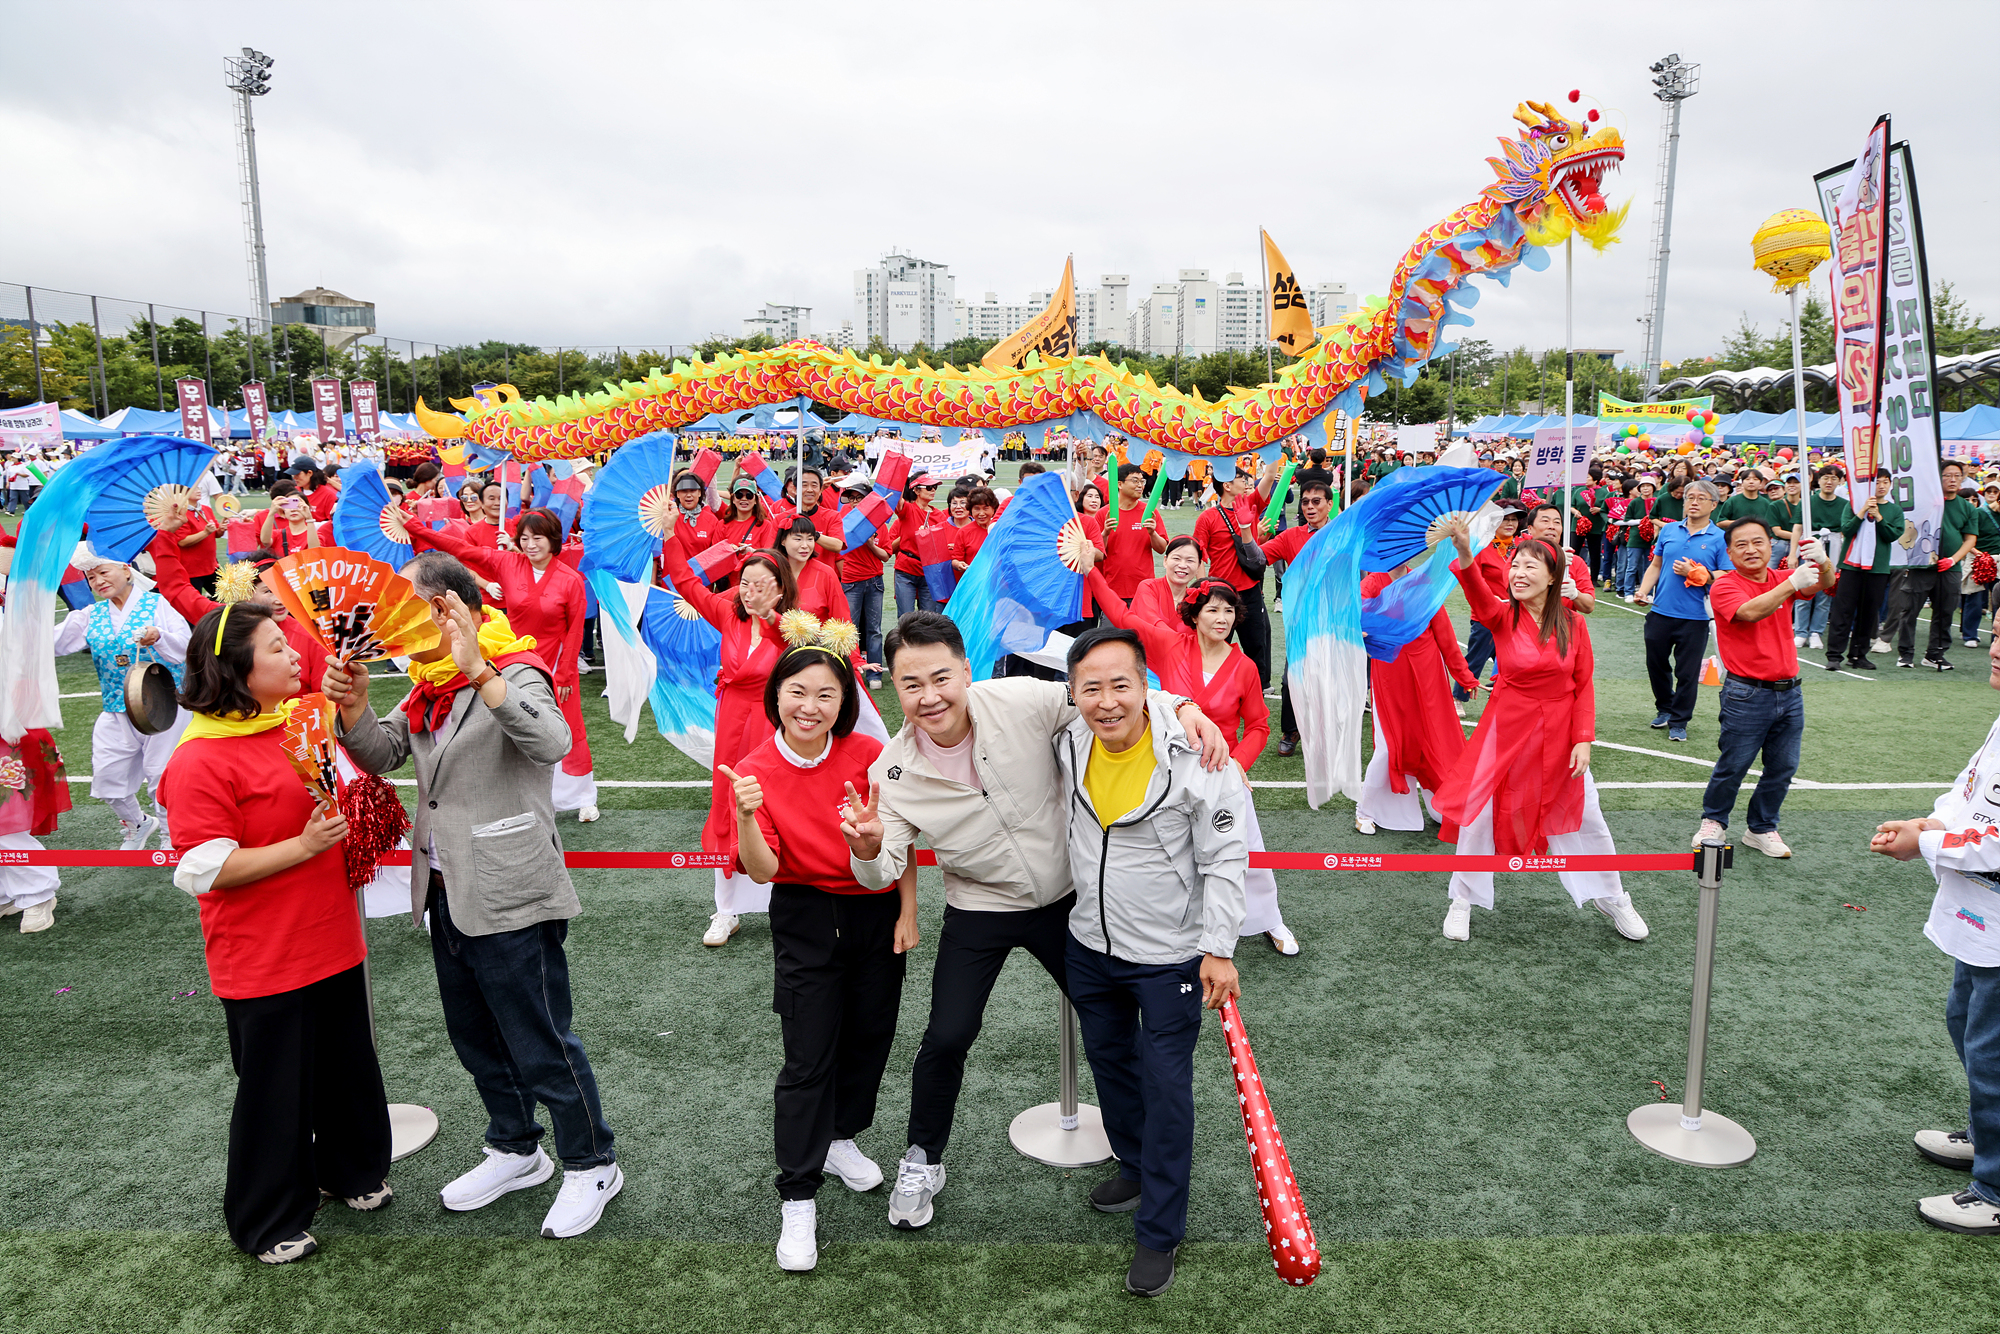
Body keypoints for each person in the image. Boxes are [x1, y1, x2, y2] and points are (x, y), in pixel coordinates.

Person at [839, 611, 1230, 1235]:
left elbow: (1105, 692)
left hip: (1069, 904)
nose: (929, 696)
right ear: (894, 688)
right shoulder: (892, 770)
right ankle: (922, 1158)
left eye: (941, 677)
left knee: (1115, 1040)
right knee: (946, 1036)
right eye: (911, 684)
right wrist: (865, 848)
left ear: (967, 670)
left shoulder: (1019, 699)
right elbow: (883, 867)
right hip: (980, 908)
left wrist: (1183, 707)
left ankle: (1136, 1159)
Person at [328, 552, 623, 1240]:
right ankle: (517, 1148)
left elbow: (552, 741)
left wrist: (480, 672)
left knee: (541, 1037)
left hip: (513, 887)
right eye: (406, 613)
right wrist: (354, 709)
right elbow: (382, 754)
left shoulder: (511, 669)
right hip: (445, 888)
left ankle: (592, 1161)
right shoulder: (426, 684)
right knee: (477, 1038)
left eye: (428, 610)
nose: (413, 625)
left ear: (466, 609)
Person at [158, 602, 391, 1264]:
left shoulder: (297, 718)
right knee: (276, 1088)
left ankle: (351, 1171)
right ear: (236, 669)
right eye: (275, 649)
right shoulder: (199, 758)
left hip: (331, 932)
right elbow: (205, 870)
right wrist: (303, 846)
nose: (295, 656)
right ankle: (266, 1219)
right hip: (264, 953)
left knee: (347, 1065)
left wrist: (353, 704)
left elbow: (353, 757)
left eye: (289, 645)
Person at [1053, 625, 1247, 1298]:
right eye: (1091, 688)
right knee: (1112, 1069)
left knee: (1167, 1093)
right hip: (1089, 947)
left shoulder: (1198, 756)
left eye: (1121, 685)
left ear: (1145, 686)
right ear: (1073, 693)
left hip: (1170, 960)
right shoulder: (1071, 738)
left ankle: (1159, 1232)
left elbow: (1227, 860)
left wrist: (1219, 948)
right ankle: (1132, 1166)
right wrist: (1178, 699)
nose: (1106, 702)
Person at [720, 624, 915, 1272]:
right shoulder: (753, 771)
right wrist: (746, 816)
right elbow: (762, 868)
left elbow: (900, 839)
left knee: (870, 1040)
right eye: (798, 691)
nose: (810, 706)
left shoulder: (866, 750)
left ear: (844, 701)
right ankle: (797, 1197)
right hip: (804, 916)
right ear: (777, 696)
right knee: (807, 1059)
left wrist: (907, 909)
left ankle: (839, 1137)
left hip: (875, 906)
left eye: (826, 694)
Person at [1435, 521, 1648, 944]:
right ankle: (1462, 899)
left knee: (1586, 816)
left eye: (1531, 566)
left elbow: (1583, 683)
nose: (1519, 573)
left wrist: (1583, 737)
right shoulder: (1501, 615)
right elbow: (1478, 592)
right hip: (1506, 729)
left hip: (1560, 732)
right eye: (1516, 564)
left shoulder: (1573, 623)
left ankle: (1612, 895)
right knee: (1478, 819)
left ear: (1554, 577)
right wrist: (1463, 551)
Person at [1870, 633, 2000, 1237]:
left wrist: (1923, 840)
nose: (1996, 648)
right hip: (1980, 922)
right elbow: (1968, 796)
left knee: (1992, 1054)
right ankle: (1984, 1136)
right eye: (1997, 634)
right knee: (1965, 1025)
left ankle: (1995, 1187)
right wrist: (1928, 822)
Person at [1093, 572, 1298, 954]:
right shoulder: (1170, 644)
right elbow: (1121, 616)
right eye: (1213, 610)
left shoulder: (1245, 667)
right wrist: (1090, 567)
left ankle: (1269, 918)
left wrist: (1238, 763)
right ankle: (1182, 926)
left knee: (1244, 849)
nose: (1222, 618)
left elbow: (1257, 726)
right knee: (1171, 854)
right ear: (1194, 614)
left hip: (1223, 773)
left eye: (1229, 612)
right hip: (1167, 772)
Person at [410, 508, 600, 822]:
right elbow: (460, 550)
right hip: (513, 661)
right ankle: (537, 797)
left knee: (567, 727)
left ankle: (582, 796)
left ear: (553, 540)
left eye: (537, 538)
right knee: (516, 724)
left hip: (556, 665)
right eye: (524, 538)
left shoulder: (571, 579)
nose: (530, 545)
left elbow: (576, 629)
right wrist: (415, 526)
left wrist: (566, 671)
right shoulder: (508, 564)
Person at [669, 549, 796, 946]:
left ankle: (786, 905)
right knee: (727, 806)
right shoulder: (728, 615)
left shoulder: (791, 624)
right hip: (730, 723)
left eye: (760, 585)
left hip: (774, 724)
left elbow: (802, 644)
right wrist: (672, 534)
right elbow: (686, 582)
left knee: (775, 807)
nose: (749, 592)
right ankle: (725, 911)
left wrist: (770, 615)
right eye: (744, 583)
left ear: (779, 589)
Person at [1693, 521, 1834, 858]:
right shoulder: (1725, 585)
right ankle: (1713, 820)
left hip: (1790, 691)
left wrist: (1823, 562)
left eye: (1758, 542)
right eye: (1741, 545)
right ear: (1729, 553)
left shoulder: (1779, 578)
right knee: (1734, 763)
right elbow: (1749, 612)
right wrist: (1791, 584)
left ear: (1771, 546)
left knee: (1783, 766)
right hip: (1746, 693)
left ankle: (1761, 827)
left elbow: (1825, 584)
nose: (1751, 550)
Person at [53, 553, 191, 853]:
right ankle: (136, 823)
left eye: (104, 572)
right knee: (107, 777)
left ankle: (172, 837)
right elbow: (53, 642)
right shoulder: (90, 614)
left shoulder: (157, 605)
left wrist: (159, 636)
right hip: (117, 707)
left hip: (164, 707)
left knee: (161, 775)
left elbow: (186, 646)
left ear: (126, 571)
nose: (98, 581)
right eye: (91, 578)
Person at [1354, 567, 1478, 836]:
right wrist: (1359, 628)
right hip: (1390, 673)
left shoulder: (1424, 582)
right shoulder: (1374, 581)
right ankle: (1365, 809)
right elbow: (1354, 614)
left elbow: (1444, 634)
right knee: (1390, 746)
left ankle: (1441, 803)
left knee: (1436, 740)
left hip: (1428, 674)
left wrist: (1464, 676)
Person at [1633, 480, 1727, 742]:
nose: (1694, 502)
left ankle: (1679, 720)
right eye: (1690, 498)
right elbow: (1656, 564)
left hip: (1696, 617)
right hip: (1661, 611)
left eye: (1701, 498)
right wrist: (1643, 591)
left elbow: (1728, 575)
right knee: (1656, 664)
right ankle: (1664, 707)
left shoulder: (1719, 538)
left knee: (1686, 673)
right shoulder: (1670, 530)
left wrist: (1700, 573)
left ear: (1713, 504)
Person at [1258, 479, 1335, 754]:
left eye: (1316, 501)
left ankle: (1326, 729)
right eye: (1305, 502)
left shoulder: (1342, 534)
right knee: (1293, 675)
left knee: (1329, 675)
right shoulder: (1291, 536)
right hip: (1301, 619)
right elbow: (1257, 558)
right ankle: (1291, 731)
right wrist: (1253, 535)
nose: (1310, 507)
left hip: (1335, 619)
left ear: (1329, 504)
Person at [1192, 459, 1278, 686]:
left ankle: (1257, 690)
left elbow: (1269, 475)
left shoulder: (1250, 504)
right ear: (1227, 485)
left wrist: (1273, 445)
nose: (1248, 481)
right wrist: (1203, 589)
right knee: (1215, 644)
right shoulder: (1207, 517)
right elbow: (1199, 554)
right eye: (1242, 478)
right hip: (1220, 592)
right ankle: (1213, 689)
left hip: (1250, 590)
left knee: (1256, 646)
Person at [1886, 461, 1976, 671]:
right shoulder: (1926, 503)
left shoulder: (1967, 508)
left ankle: (1935, 654)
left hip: (1950, 568)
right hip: (1922, 564)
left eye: (1957, 475)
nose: (1952, 479)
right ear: (1939, 478)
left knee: (1945, 612)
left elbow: (1970, 539)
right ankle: (1906, 654)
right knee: (1910, 610)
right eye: (1947, 475)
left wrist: (1953, 559)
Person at [1824, 468, 1906, 671]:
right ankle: (1834, 655)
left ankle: (1858, 654)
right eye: (1877, 482)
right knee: (1843, 611)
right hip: (1852, 565)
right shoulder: (1852, 504)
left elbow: (1891, 535)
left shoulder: (1894, 510)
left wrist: (1878, 516)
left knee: (1869, 614)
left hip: (1877, 569)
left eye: (1885, 482)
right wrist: (1862, 511)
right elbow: (1847, 529)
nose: (1881, 486)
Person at [1449, 504, 1525, 705]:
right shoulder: (1483, 547)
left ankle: (1503, 692)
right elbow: (1472, 582)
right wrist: (1486, 604)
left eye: (1514, 520)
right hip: (1487, 615)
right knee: (1476, 658)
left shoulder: (1521, 548)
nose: (1510, 524)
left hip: (1515, 613)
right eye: (1505, 519)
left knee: (1514, 658)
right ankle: (1458, 697)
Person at [837, 476, 894, 689]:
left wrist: (870, 544)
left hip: (874, 582)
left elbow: (886, 555)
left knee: (874, 629)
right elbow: (837, 549)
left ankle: (875, 674)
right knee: (849, 629)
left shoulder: (879, 525)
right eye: (851, 498)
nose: (854, 502)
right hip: (851, 582)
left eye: (859, 498)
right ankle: (850, 672)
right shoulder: (844, 522)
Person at [1089, 465, 1170, 601]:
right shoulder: (1104, 514)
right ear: (1119, 484)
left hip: (1144, 590)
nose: (1140, 485)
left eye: (1141, 481)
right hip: (1112, 590)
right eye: (1134, 481)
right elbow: (1096, 554)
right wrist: (1105, 533)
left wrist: (1152, 533)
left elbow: (1162, 549)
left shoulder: (1149, 512)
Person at [1794, 466, 1849, 649]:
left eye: (1834, 478)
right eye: (1826, 477)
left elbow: (1845, 532)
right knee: (1805, 587)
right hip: (1810, 544)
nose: (1829, 482)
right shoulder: (1808, 502)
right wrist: (1792, 553)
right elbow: (1797, 527)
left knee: (1826, 591)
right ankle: (1801, 631)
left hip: (1832, 545)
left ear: (1840, 481)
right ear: (1818, 480)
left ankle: (1816, 631)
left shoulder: (1844, 504)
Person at [891, 476, 942, 619]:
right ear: (916, 490)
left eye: (935, 487)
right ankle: (904, 641)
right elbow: (897, 500)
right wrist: (900, 475)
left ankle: (924, 642)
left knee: (928, 618)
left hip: (929, 571)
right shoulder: (908, 509)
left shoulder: (939, 515)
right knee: (905, 617)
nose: (933, 491)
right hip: (906, 569)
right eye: (929, 487)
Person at [777, 516, 846, 620]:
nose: (805, 545)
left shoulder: (826, 574)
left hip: (818, 636)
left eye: (810, 539)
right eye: (798, 539)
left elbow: (841, 618)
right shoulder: (771, 570)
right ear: (783, 541)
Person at [258, 480, 329, 557]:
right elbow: (265, 541)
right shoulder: (278, 535)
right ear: (283, 512)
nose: (293, 509)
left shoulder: (316, 535)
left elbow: (315, 552)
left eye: (298, 506)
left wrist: (309, 518)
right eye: (288, 506)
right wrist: (271, 513)